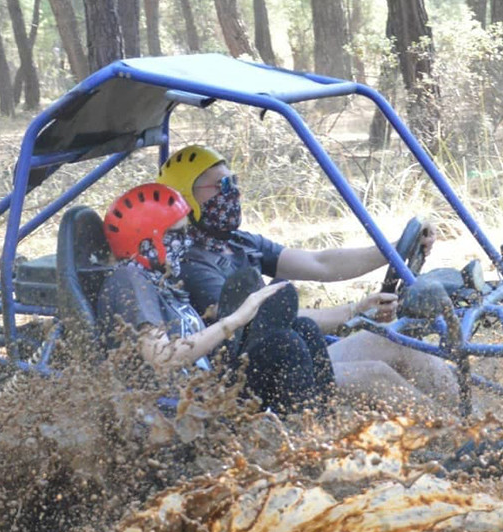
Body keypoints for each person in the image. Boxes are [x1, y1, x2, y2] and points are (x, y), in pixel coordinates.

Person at [157, 145, 459, 404]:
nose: (233, 192)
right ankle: (458, 443)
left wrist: (394, 249)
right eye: (223, 186)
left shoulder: (237, 243)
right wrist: (353, 310)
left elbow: (320, 263)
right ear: (185, 199)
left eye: (233, 182)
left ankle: (468, 422)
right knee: (375, 374)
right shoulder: (192, 265)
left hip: (295, 352)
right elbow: (266, 321)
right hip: (264, 381)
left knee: (396, 342)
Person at [96, 183, 335, 414]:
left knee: (303, 327)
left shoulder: (160, 281)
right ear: (147, 243)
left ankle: (329, 423)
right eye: (178, 234)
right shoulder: (130, 280)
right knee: (284, 345)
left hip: (208, 388)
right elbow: (162, 358)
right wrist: (234, 320)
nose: (187, 241)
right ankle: (308, 438)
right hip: (184, 408)